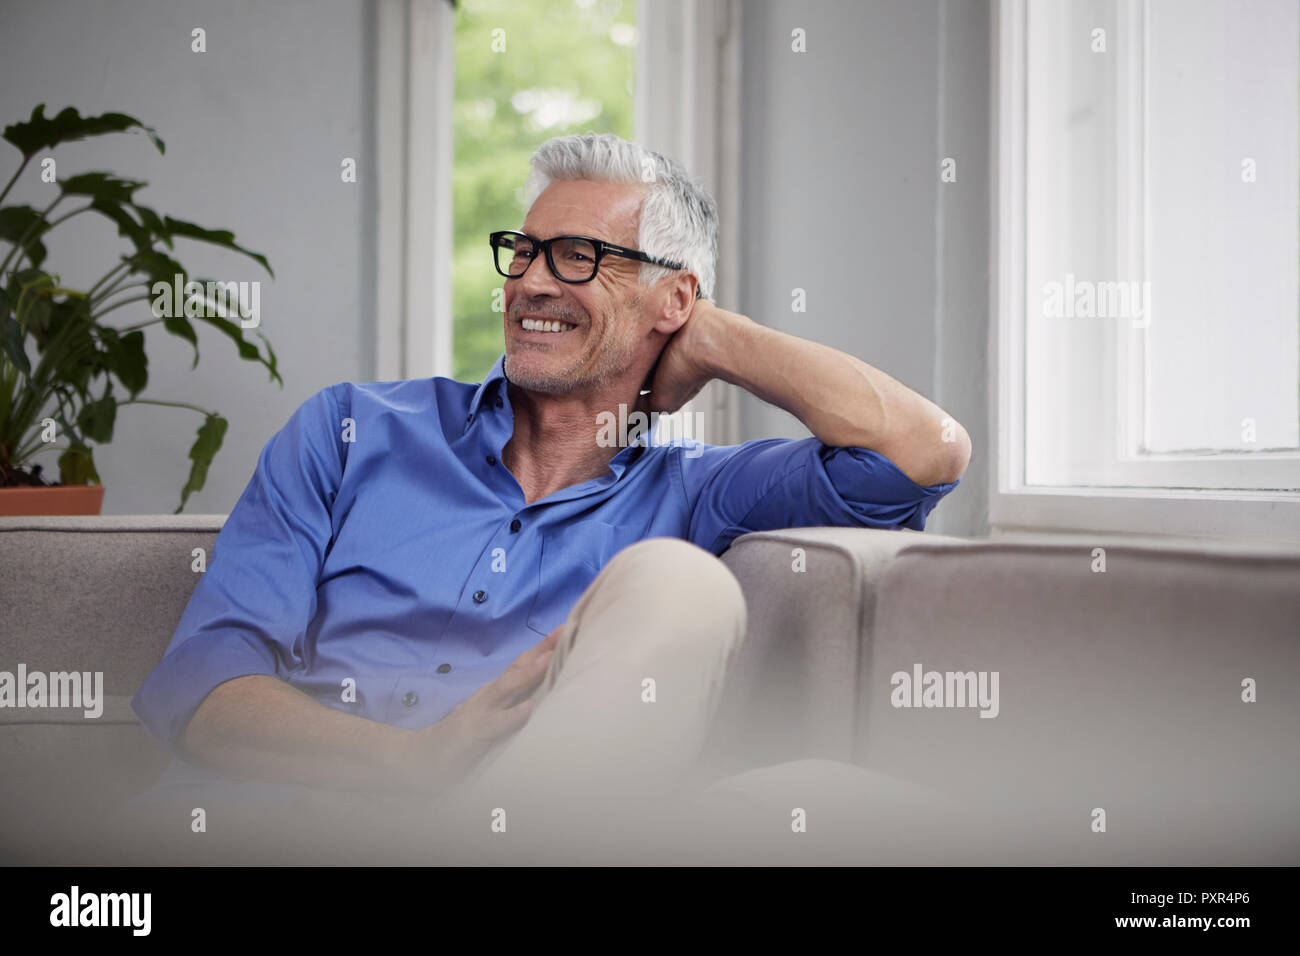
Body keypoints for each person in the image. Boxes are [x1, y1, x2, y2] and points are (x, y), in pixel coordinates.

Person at [127, 132, 970, 854]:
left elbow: (923, 450)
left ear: (669, 299)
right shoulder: (350, 431)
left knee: (688, 595)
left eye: (580, 259)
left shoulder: (699, 492)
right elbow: (202, 685)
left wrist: (712, 336)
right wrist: (411, 758)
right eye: (524, 252)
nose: (532, 281)